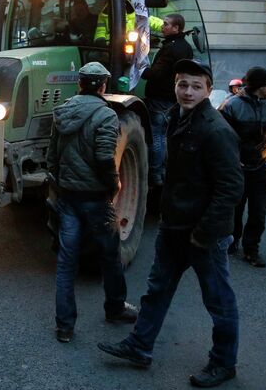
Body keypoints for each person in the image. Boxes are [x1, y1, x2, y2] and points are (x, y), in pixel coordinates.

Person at [98, 59, 243, 388]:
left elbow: (231, 188)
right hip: (174, 227)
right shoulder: (176, 117)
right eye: (182, 84)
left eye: (195, 86)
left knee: (219, 302)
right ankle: (139, 346)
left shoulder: (216, 129)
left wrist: (203, 234)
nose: (187, 91)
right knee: (157, 291)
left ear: (208, 90)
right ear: (174, 86)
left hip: (203, 235)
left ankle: (224, 363)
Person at [46, 61, 138, 343]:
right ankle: (115, 308)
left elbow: (52, 157)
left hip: (68, 197)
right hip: (97, 199)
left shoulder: (61, 112)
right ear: (103, 86)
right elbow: (103, 158)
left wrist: (61, 186)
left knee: (66, 263)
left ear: (79, 84)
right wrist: (114, 185)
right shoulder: (106, 115)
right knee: (110, 255)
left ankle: (65, 327)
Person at [219, 67, 266, 267]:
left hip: (261, 168)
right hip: (237, 167)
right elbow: (221, 137)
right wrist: (231, 161)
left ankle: (252, 250)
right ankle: (232, 241)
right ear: (260, 86)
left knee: (258, 213)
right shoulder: (231, 105)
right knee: (235, 208)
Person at [141, 14, 194, 188]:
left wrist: (141, 69)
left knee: (156, 136)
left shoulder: (170, 48)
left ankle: (155, 172)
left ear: (176, 28)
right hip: (173, 98)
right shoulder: (186, 47)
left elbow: (157, 73)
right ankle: (163, 171)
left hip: (160, 98)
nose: (162, 27)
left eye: (166, 24)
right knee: (165, 136)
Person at [93, 0, 163, 46]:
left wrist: (163, 26)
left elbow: (151, 21)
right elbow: (100, 31)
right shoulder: (104, 16)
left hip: (135, 46)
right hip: (111, 46)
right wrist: (100, 40)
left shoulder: (136, 15)